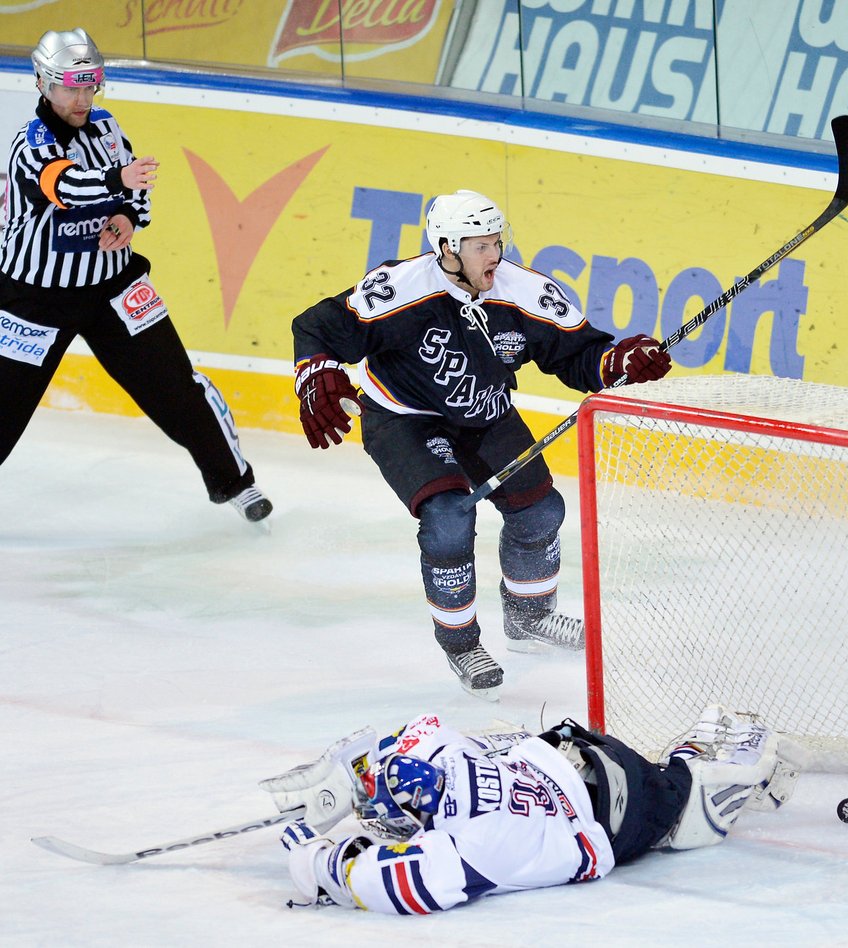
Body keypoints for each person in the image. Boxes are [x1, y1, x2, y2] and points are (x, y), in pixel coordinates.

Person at [291, 189, 671, 696]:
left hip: (486, 414)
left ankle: (529, 617)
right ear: (447, 247)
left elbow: (579, 353)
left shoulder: (523, 291)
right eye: (480, 245)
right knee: (448, 516)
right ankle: (461, 643)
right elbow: (318, 327)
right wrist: (316, 374)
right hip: (407, 420)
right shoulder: (400, 287)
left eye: (497, 241)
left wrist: (617, 361)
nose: (494, 254)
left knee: (540, 512)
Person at [0, 28, 272, 523]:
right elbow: (63, 186)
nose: (82, 98)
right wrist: (116, 182)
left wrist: (128, 216)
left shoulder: (106, 125)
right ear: (41, 82)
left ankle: (236, 483)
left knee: (176, 388)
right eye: (70, 86)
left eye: (91, 85)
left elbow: (137, 186)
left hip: (113, 286)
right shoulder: (30, 142)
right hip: (33, 298)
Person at [261, 705, 803, 913]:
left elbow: (399, 881)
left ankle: (691, 775)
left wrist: (321, 835)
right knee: (675, 795)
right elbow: (395, 884)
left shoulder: (467, 830)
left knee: (674, 796)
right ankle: (688, 769)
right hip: (595, 786)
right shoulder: (462, 812)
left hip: (594, 784)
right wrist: (319, 845)